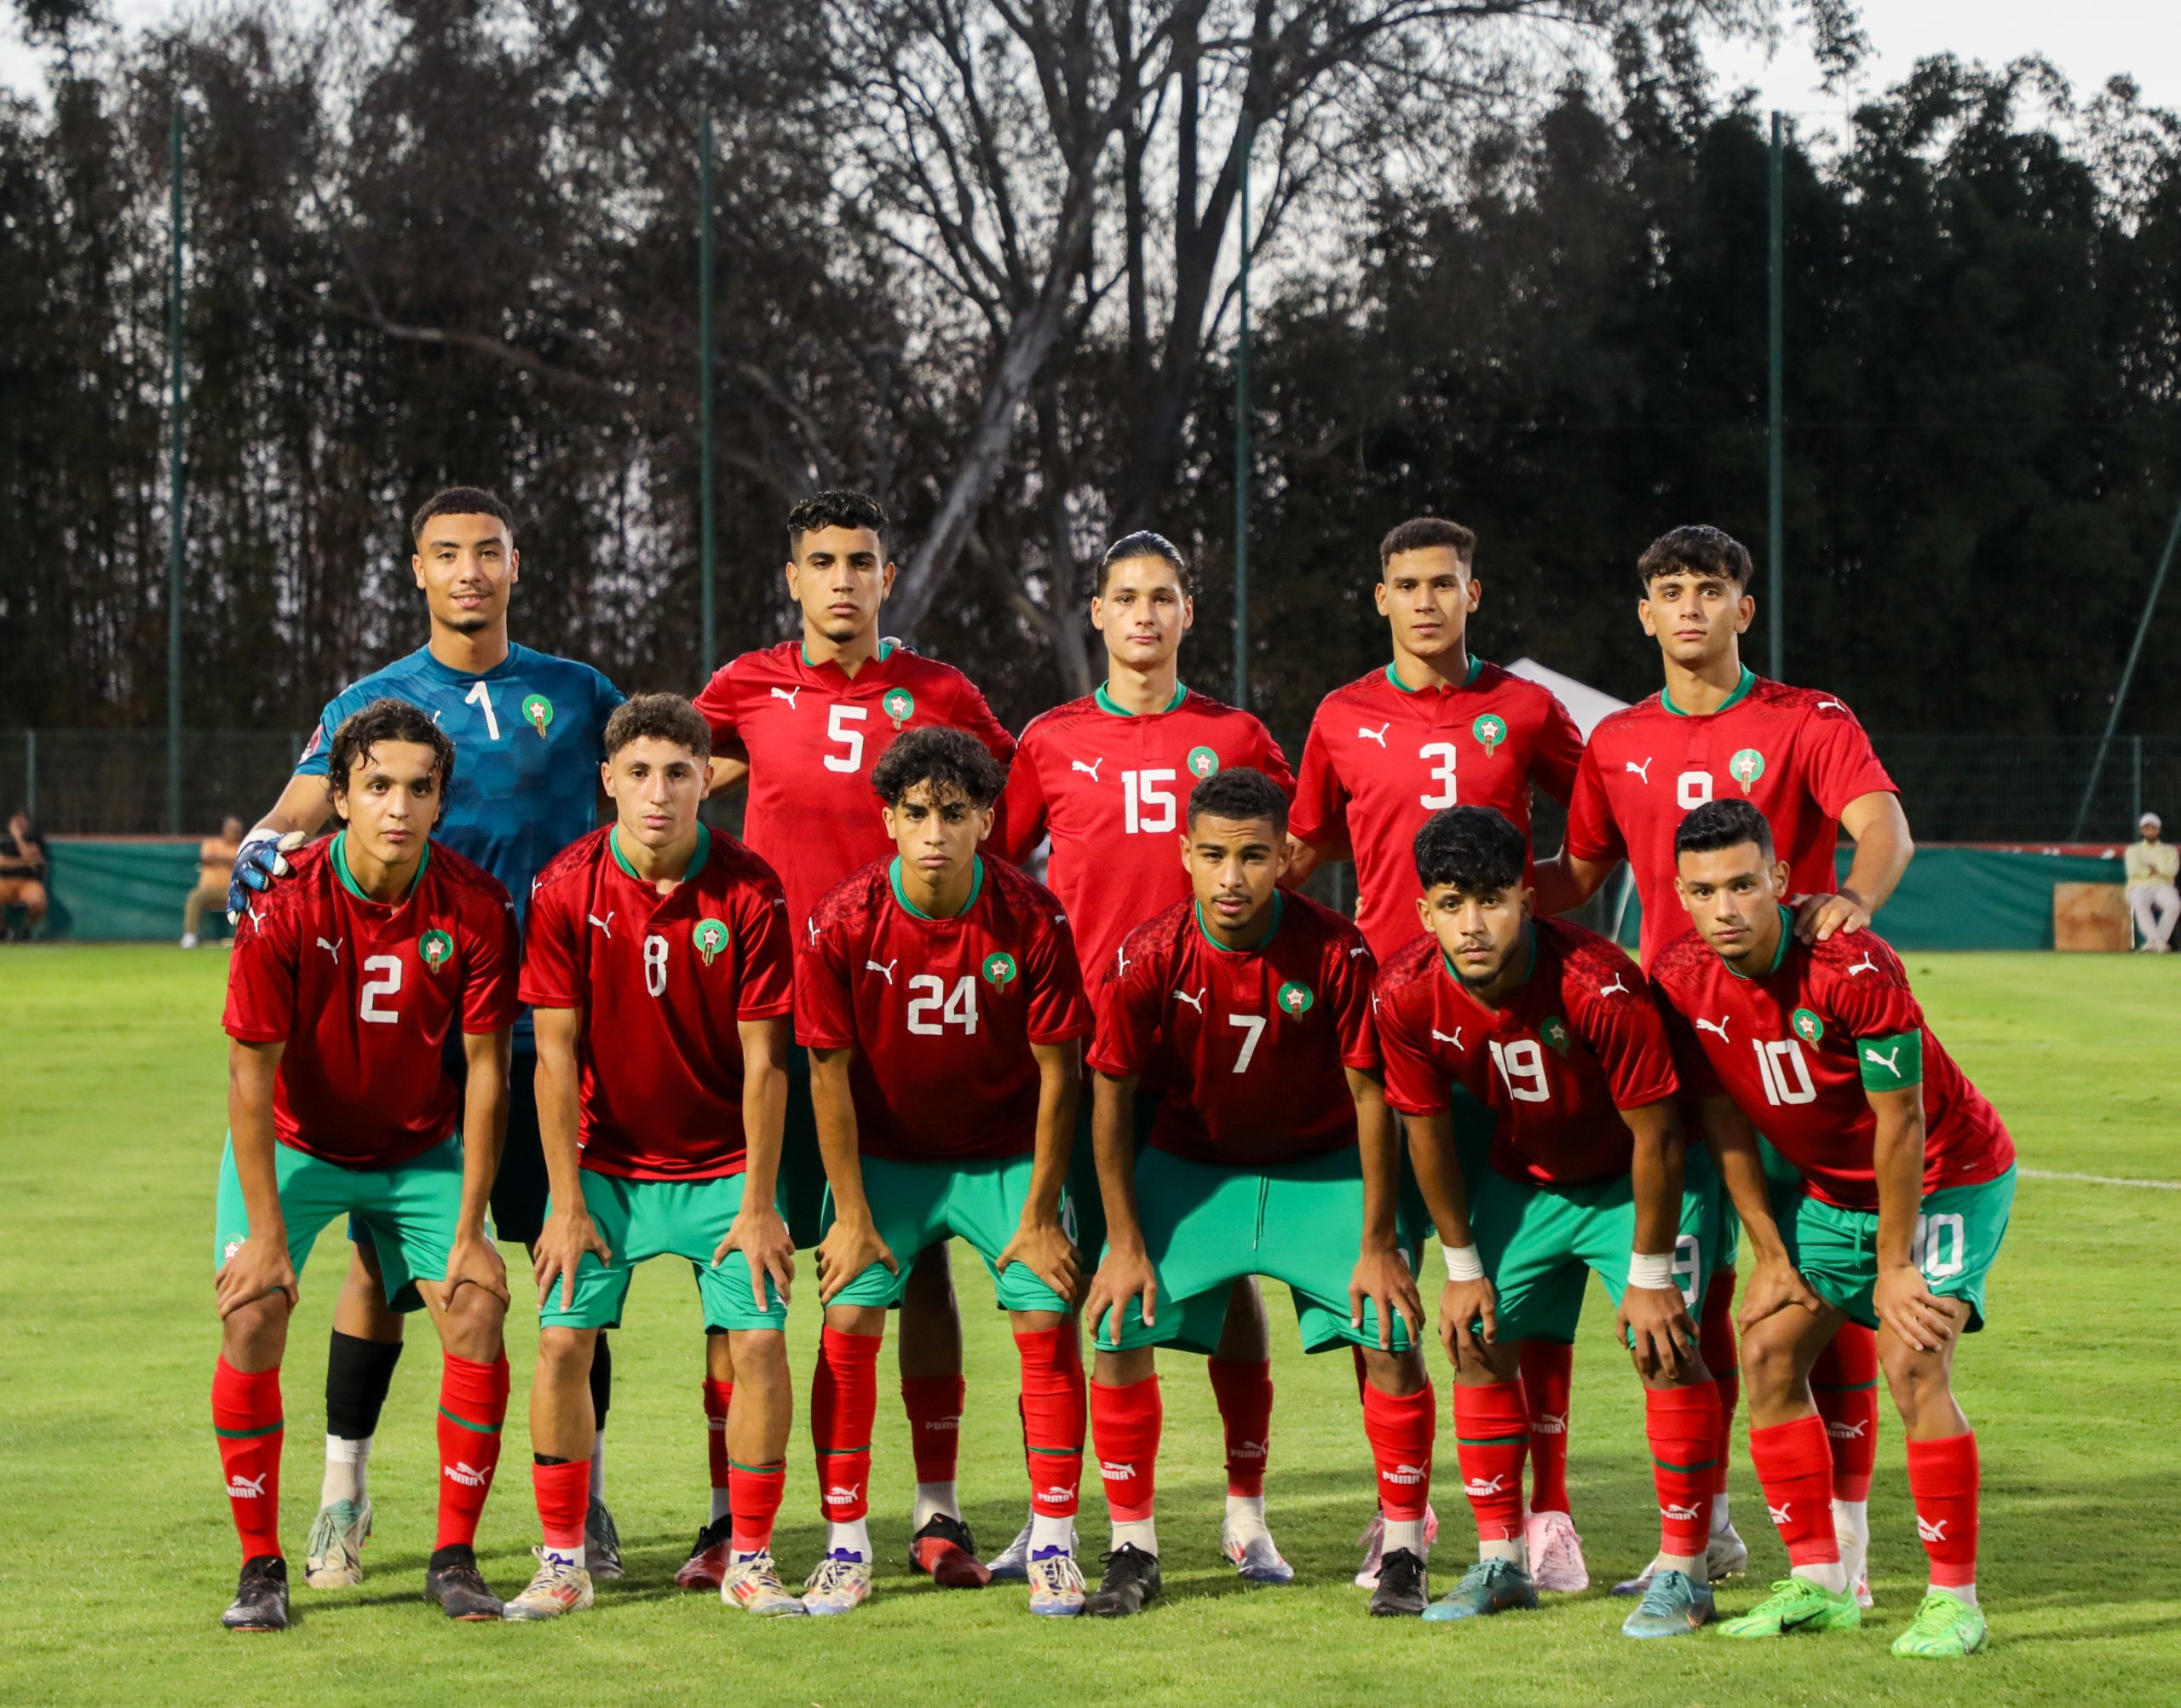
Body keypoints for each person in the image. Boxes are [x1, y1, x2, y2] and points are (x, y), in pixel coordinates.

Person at [227, 487, 630, 1586]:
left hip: (549, 1027)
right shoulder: (372, 700)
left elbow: (668, 763)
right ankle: (342, 1495)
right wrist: (262, 838)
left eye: (488, 552)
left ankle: (584, 1499)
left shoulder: (575, 691)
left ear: (515, 565)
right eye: (447, 553)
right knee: (382, 1271)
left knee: (567, 1264)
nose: (469, 571)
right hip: (415, 1028)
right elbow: (303, 801)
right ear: (417, 570)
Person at [1534, 523, 1915, 1600]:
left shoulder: (1807, 719)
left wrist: (1856, 896)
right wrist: (1467, 895)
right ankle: (1698, 1535)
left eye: (1710, 588)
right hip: (1676, 1058)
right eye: (1670, 590)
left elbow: (1883, 826)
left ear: (1743, 609)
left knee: (1823, 1293)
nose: (1690, 607)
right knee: (1690, 1296)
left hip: (1802, 1055)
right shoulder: (1616, 743)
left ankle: (1845, 1549)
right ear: (1644, 614)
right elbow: (1578, 873)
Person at [691, 490, 1020, 1590]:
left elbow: (1007, 806)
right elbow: (673, 777)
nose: (843, 579)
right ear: (792, 578)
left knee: (913, 1264)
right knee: (744, 1260)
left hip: (901, 1023)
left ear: (890, 575)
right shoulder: (745, 686)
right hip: (767, 1023)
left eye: (862, 561)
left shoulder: (942, 692)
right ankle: (724, 1517)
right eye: (823, 561)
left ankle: (935, 1509)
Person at [1286, 515, 1582, 1586]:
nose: (1424, 601)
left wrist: (1542, 907)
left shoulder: (1526, 709)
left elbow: (1599, 829)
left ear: (1473, 593)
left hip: (1508, 1028)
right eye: (1406, 584)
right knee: (1384, 1274)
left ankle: (1547, 1513)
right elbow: (1303, 848)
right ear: (1380, 598)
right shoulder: (1339, 715)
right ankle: (1400, 1511)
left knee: (1522, 1277)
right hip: (1386, 1026)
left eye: (1443, 583)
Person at [999, 529, 1298, 1583]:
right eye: (1124, 596)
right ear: (1096, 612)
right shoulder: (1048, 738)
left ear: (1186, 613)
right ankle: (1053, 1511)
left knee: (1227, 1276)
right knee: (1072, 1280)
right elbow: (998, 867)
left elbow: (1288, 857)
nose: (1142, 614)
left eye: (1161, 597)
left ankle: (1245, 1510)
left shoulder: (1235, 733)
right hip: (1086, 1052)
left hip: (1211, 1048)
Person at [1652, 799, 2015, 1660]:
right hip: (1831, 1192)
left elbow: (1903, 1120)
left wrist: (1894, 1267)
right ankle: (1821, 1583)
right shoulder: (1679, 977)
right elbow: (1722, 1117)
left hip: (1947, 1175)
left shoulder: (1852, 965)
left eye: (1744, 884)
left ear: (1779, 879)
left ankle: (1954, 1601)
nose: (1725, 908)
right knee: (1768, 1352)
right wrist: (1770, 1253)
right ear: (1681, 894)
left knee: (1912, 1360)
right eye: (1703, 891)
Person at [1080, 767, 1436, 1620]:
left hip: (1322, 1168)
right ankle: (1133, 1549)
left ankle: (1404, 1550)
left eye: (1251, 856)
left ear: (1284, 857)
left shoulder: (1336, 949)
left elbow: (1373, 1099)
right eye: (1213, 855)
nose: (1231, 876)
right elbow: (1110, 1097)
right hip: (1197, 1166)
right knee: (1117, 1322)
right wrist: (1123, 1243)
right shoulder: (1148, 952)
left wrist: (1379, 1243)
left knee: (1390, 1328)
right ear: (1185, 855)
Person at [1376, 807, 1724, 1637]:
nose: (1472, 924)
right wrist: (1461, 1268)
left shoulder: (1599, 985)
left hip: (1637, 1182)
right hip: (1526, 1181)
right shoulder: (1404, 992)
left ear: (1527, 900)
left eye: (1491, 900)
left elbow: (1659, 1136)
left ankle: (1686, 1571)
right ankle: (1501, 1563)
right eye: (1451, 903)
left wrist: (1649, 1276)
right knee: (1474, 1335)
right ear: (1424, 911)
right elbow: (1425, 1133)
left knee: (1665, 1346)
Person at [212, 699, 519, 1631]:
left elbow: (487, 1074)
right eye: (377, 785)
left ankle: (454, 1558)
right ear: (339, 796)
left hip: (416, 1147)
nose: (398, 806)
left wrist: (470, 1226)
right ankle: (261, 1568)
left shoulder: (475, 906)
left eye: (419, 789)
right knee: (253, 1310)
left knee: (477, 1303)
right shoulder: (284, 902)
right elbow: (249, 1075)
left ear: (441, 802)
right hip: (296, 1142)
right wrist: (267, 1238)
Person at [504, 694, 802, 1620]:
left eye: (678, 772)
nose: (658, 792)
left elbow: (767, 1062)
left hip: (725, 1166)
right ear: (609, 782)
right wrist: (564, 1201)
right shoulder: (566, 887)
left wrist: (759, 1203)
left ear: (708, 779)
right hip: (605, 1165)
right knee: (561, 1340)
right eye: (638, 773)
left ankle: (750, 1557)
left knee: (758, 1340)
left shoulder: (751, 889)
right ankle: (563, 1561)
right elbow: (553, 1057)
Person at [793, 727, 1093, 1616]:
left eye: (955, 813)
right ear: (888, 819)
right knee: (848, 1313)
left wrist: (1040, 1214)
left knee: (1044, 1314)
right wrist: (851, 1216)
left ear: (986, 820)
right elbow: (827, 1075)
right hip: (888, 1158)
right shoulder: (842, 920)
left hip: (1003, 1156)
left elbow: (1061, 1073)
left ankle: (1053, 1540)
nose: (935, 832)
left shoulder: (1032, 917)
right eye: (917, 812)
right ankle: (845, 1545)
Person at [183, 817, 247, 947]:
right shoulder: (211, 843)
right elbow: (206, 858)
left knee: (247, 899)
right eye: (233, 830)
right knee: (195, 896)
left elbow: (241, 862)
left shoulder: (242, 846)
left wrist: (218, 859)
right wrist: (230, 861)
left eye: (238, 831)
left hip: (232, 890)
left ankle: (246, 937)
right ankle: (190, 936)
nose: (236, 833)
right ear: (225, 830)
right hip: (208, 889)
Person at [2126, 812, 2178, 951]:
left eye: (2153, 828)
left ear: (2159, 830)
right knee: (2139, 902)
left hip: (2163, 886)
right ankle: (2158, 942)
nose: (2150, 831)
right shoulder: (2133, 850)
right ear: (2141, 830)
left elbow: (2172, 870)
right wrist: (2159, 870)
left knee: (2174, 905)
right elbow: (2133, 870)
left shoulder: (2170, 850)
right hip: (2139, 885)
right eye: (2146, 828)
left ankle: (2155, 942)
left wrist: (2151, 869)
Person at [0, 810, 49, 940]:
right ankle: (4, 931)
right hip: (6, 881)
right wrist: (24, 862)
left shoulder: (35, 840)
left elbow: (32, 858)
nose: (18, 823)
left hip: (29, 882)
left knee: (38, 903)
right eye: (16, 820)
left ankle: (25, 930)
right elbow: (2, 863)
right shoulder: (4, 843)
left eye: (22, 820)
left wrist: (18, 838)